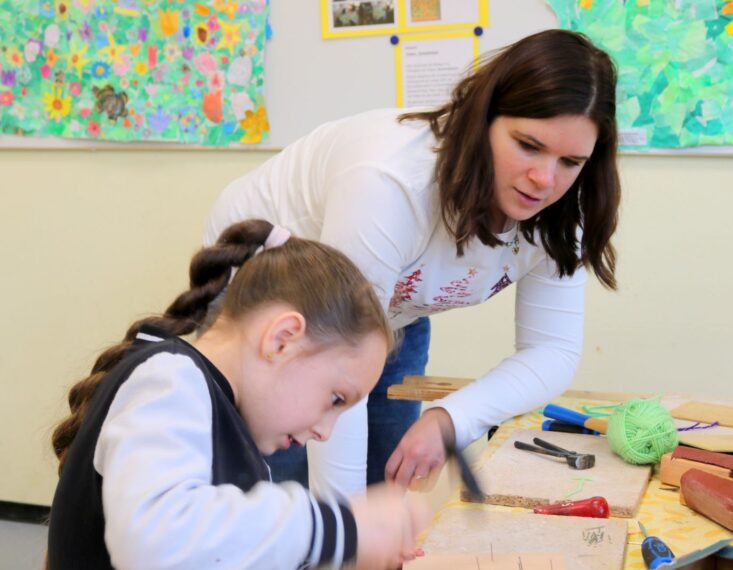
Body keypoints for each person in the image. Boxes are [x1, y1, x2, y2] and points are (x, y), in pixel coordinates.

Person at [205, 29, 621, 501]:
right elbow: (332, 353)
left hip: (387, 308)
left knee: (385, 482)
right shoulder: (389, 183)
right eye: (528, 145)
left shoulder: (565, 213)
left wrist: (450, 418)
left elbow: (553, 352)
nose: (544, 180)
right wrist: (347, 534)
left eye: (571, 161)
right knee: (279, 489)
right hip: (269, 289)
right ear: (483, 119)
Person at [23, 220, 427, 570]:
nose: (326, 431)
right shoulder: (169, 382)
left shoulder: (225, 424)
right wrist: (342, 527)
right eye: (336, 399)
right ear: (282, 339)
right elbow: (161, 539)